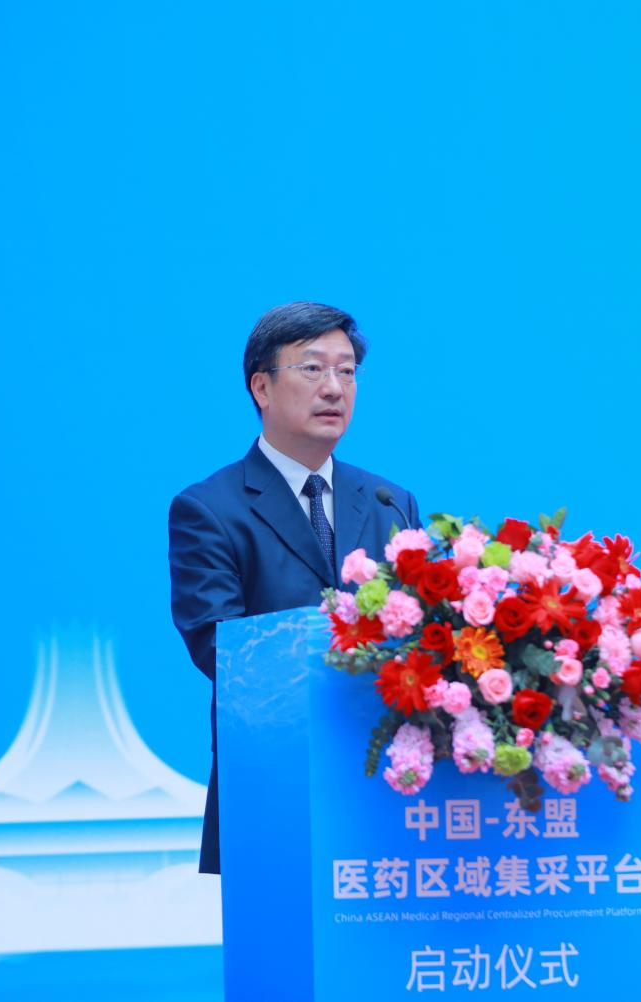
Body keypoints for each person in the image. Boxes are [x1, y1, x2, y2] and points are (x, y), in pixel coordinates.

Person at [168, 302, 421, 875]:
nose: (334, 387)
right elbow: (219, 646)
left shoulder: (391, 503)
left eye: (347, 371)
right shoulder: (209, 509)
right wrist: (350, 652)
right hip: (273, 779)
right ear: (261, 386)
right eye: (312, 369)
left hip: (387, 781)